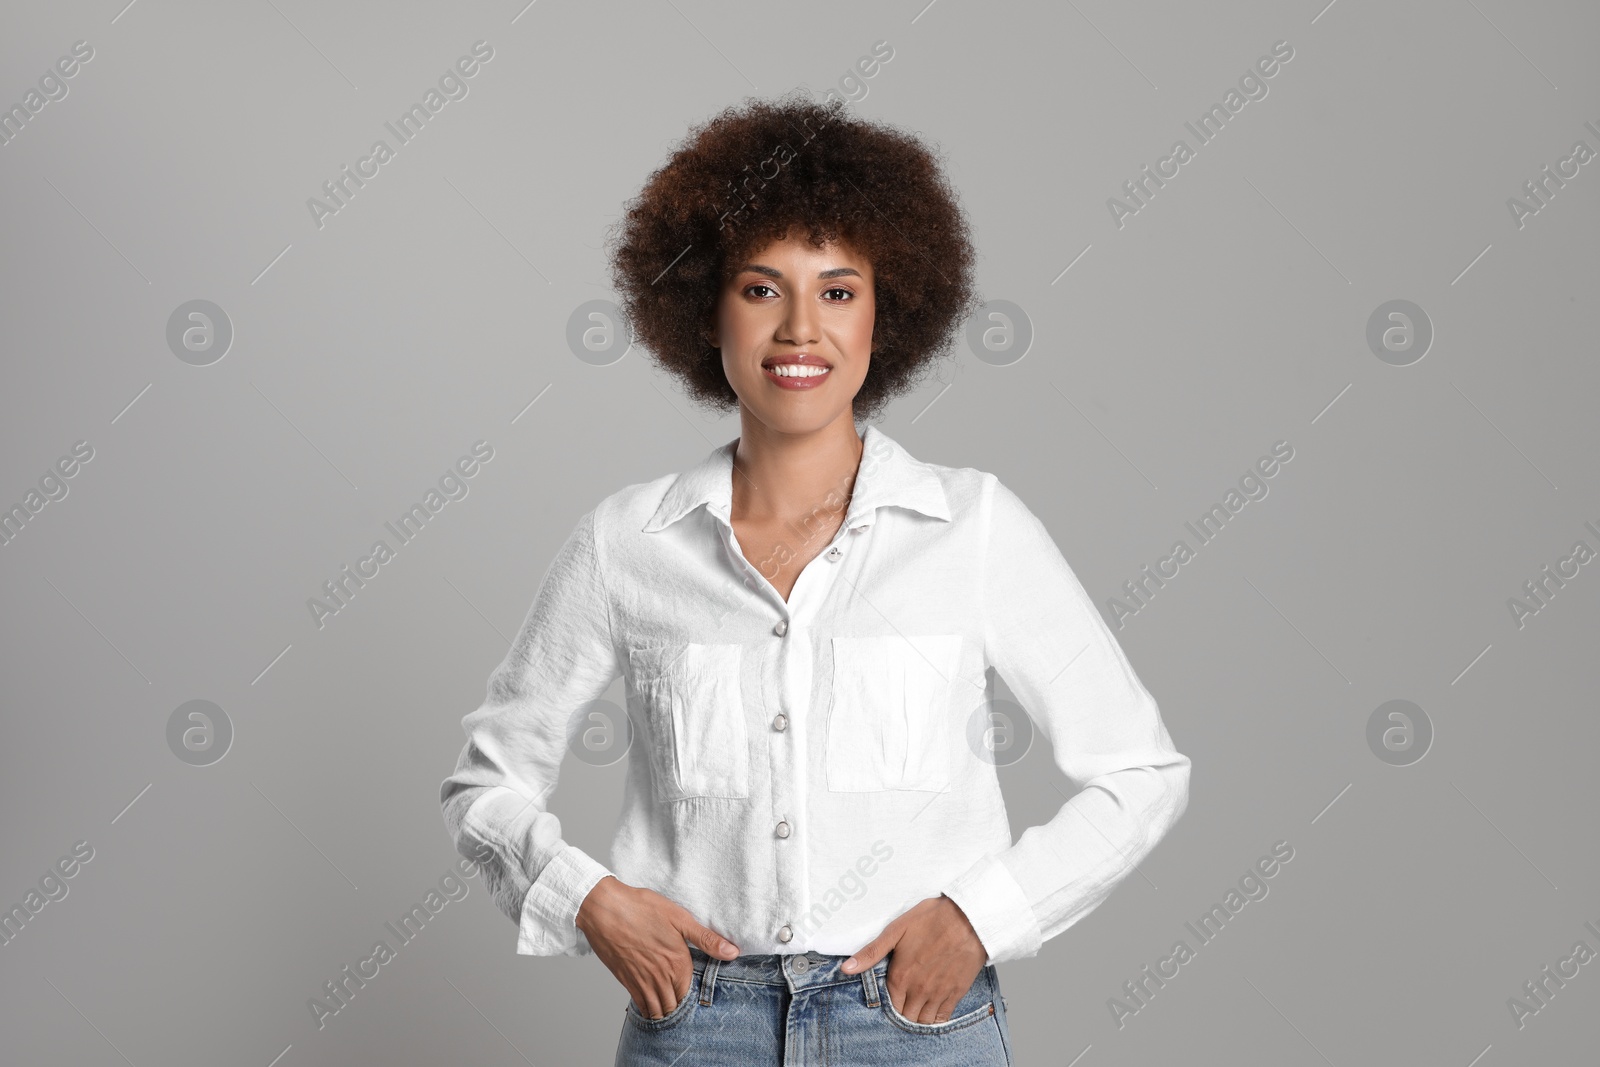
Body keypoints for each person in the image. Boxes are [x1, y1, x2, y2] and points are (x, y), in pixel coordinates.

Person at [439, 91, 1191, 1066]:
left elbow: (1141, 771)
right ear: (705, 308)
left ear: (888, 312)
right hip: (695, 1027)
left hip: (916, 1024)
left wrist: (978, 917)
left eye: (838, 290)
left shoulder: (973, 527)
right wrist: (587, 897)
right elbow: (485, 782)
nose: (801, 328)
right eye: (761, 289)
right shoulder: (625, 541)